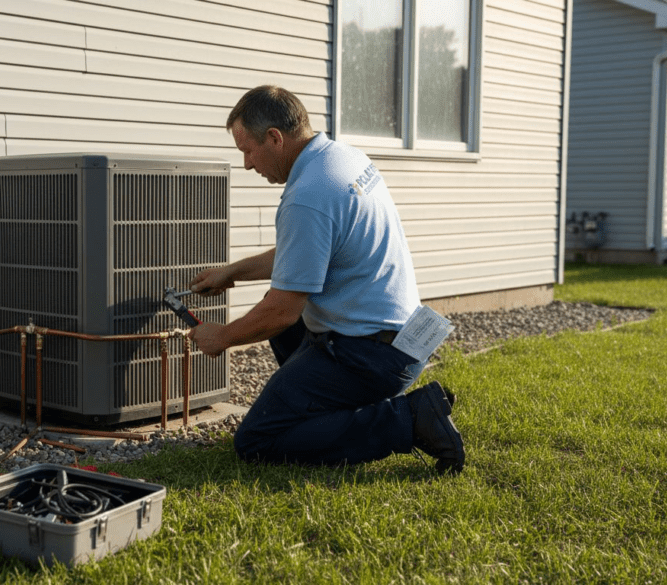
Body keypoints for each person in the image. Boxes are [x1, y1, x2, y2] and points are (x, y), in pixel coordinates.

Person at [188, 85, 465, 474]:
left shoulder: (308, 196)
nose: (248, 164)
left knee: (257, 439)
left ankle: (410, 418)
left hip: (372, 356)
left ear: (274, 138)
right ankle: (331, 407)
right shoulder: (341, 158)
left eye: (247, 150)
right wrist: (233, 272)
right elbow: (305, 255)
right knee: (283, 332)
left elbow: (282, 310)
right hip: (402, 336)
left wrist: (223, 337)